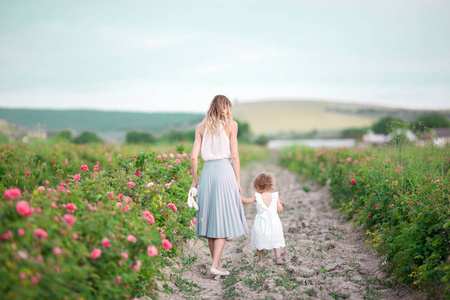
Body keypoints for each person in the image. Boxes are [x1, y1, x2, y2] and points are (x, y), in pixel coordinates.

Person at [191, 95, 249, 276]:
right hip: (225, 172)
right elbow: (235, 156)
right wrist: (237, 181)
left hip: (207, 172)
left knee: (209, 220)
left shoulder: (200, 127)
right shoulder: (232, 125)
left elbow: (193, 157)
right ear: (226, 107)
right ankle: (216, 265)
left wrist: (195, 180)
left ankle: (215, 263)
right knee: (222, 219)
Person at [240, 172, 285, 264]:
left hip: (261, 222)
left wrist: (238, 195)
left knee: (259, 239)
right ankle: (278, 258)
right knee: (276, 238)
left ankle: (261, 258)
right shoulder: (275, 196)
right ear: (270, 185)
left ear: (257, 186)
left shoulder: (258, 196)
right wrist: (279, 203)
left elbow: (246, 201)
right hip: (274, 222)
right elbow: (280, 209)